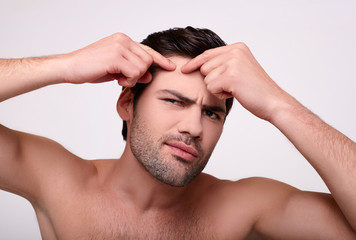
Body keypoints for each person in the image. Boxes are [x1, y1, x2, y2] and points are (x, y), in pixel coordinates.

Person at [0, 26, 355, 240]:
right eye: (173, 100)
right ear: (127, 104)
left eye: (212, 113)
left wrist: (280, 105)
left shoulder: (245, 207)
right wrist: (64, 65)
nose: (194, 127)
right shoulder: (59, 180)